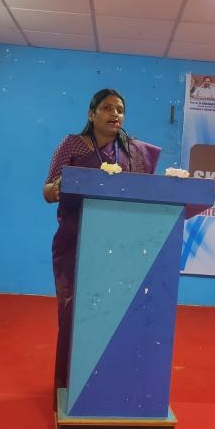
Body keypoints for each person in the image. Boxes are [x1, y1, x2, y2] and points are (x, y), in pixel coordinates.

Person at [44, 88, 161, 406]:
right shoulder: (72, 144)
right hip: (75, 241)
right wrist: (60, 187)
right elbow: (47, 191)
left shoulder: (134, 152)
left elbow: (146, 192)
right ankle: (69, 385)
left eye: (120, 109)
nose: (115, 114)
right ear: (91, 113)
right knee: (75, 312)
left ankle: (111, 381)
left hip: (120, 245)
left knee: (114, 312)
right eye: (107, 108)